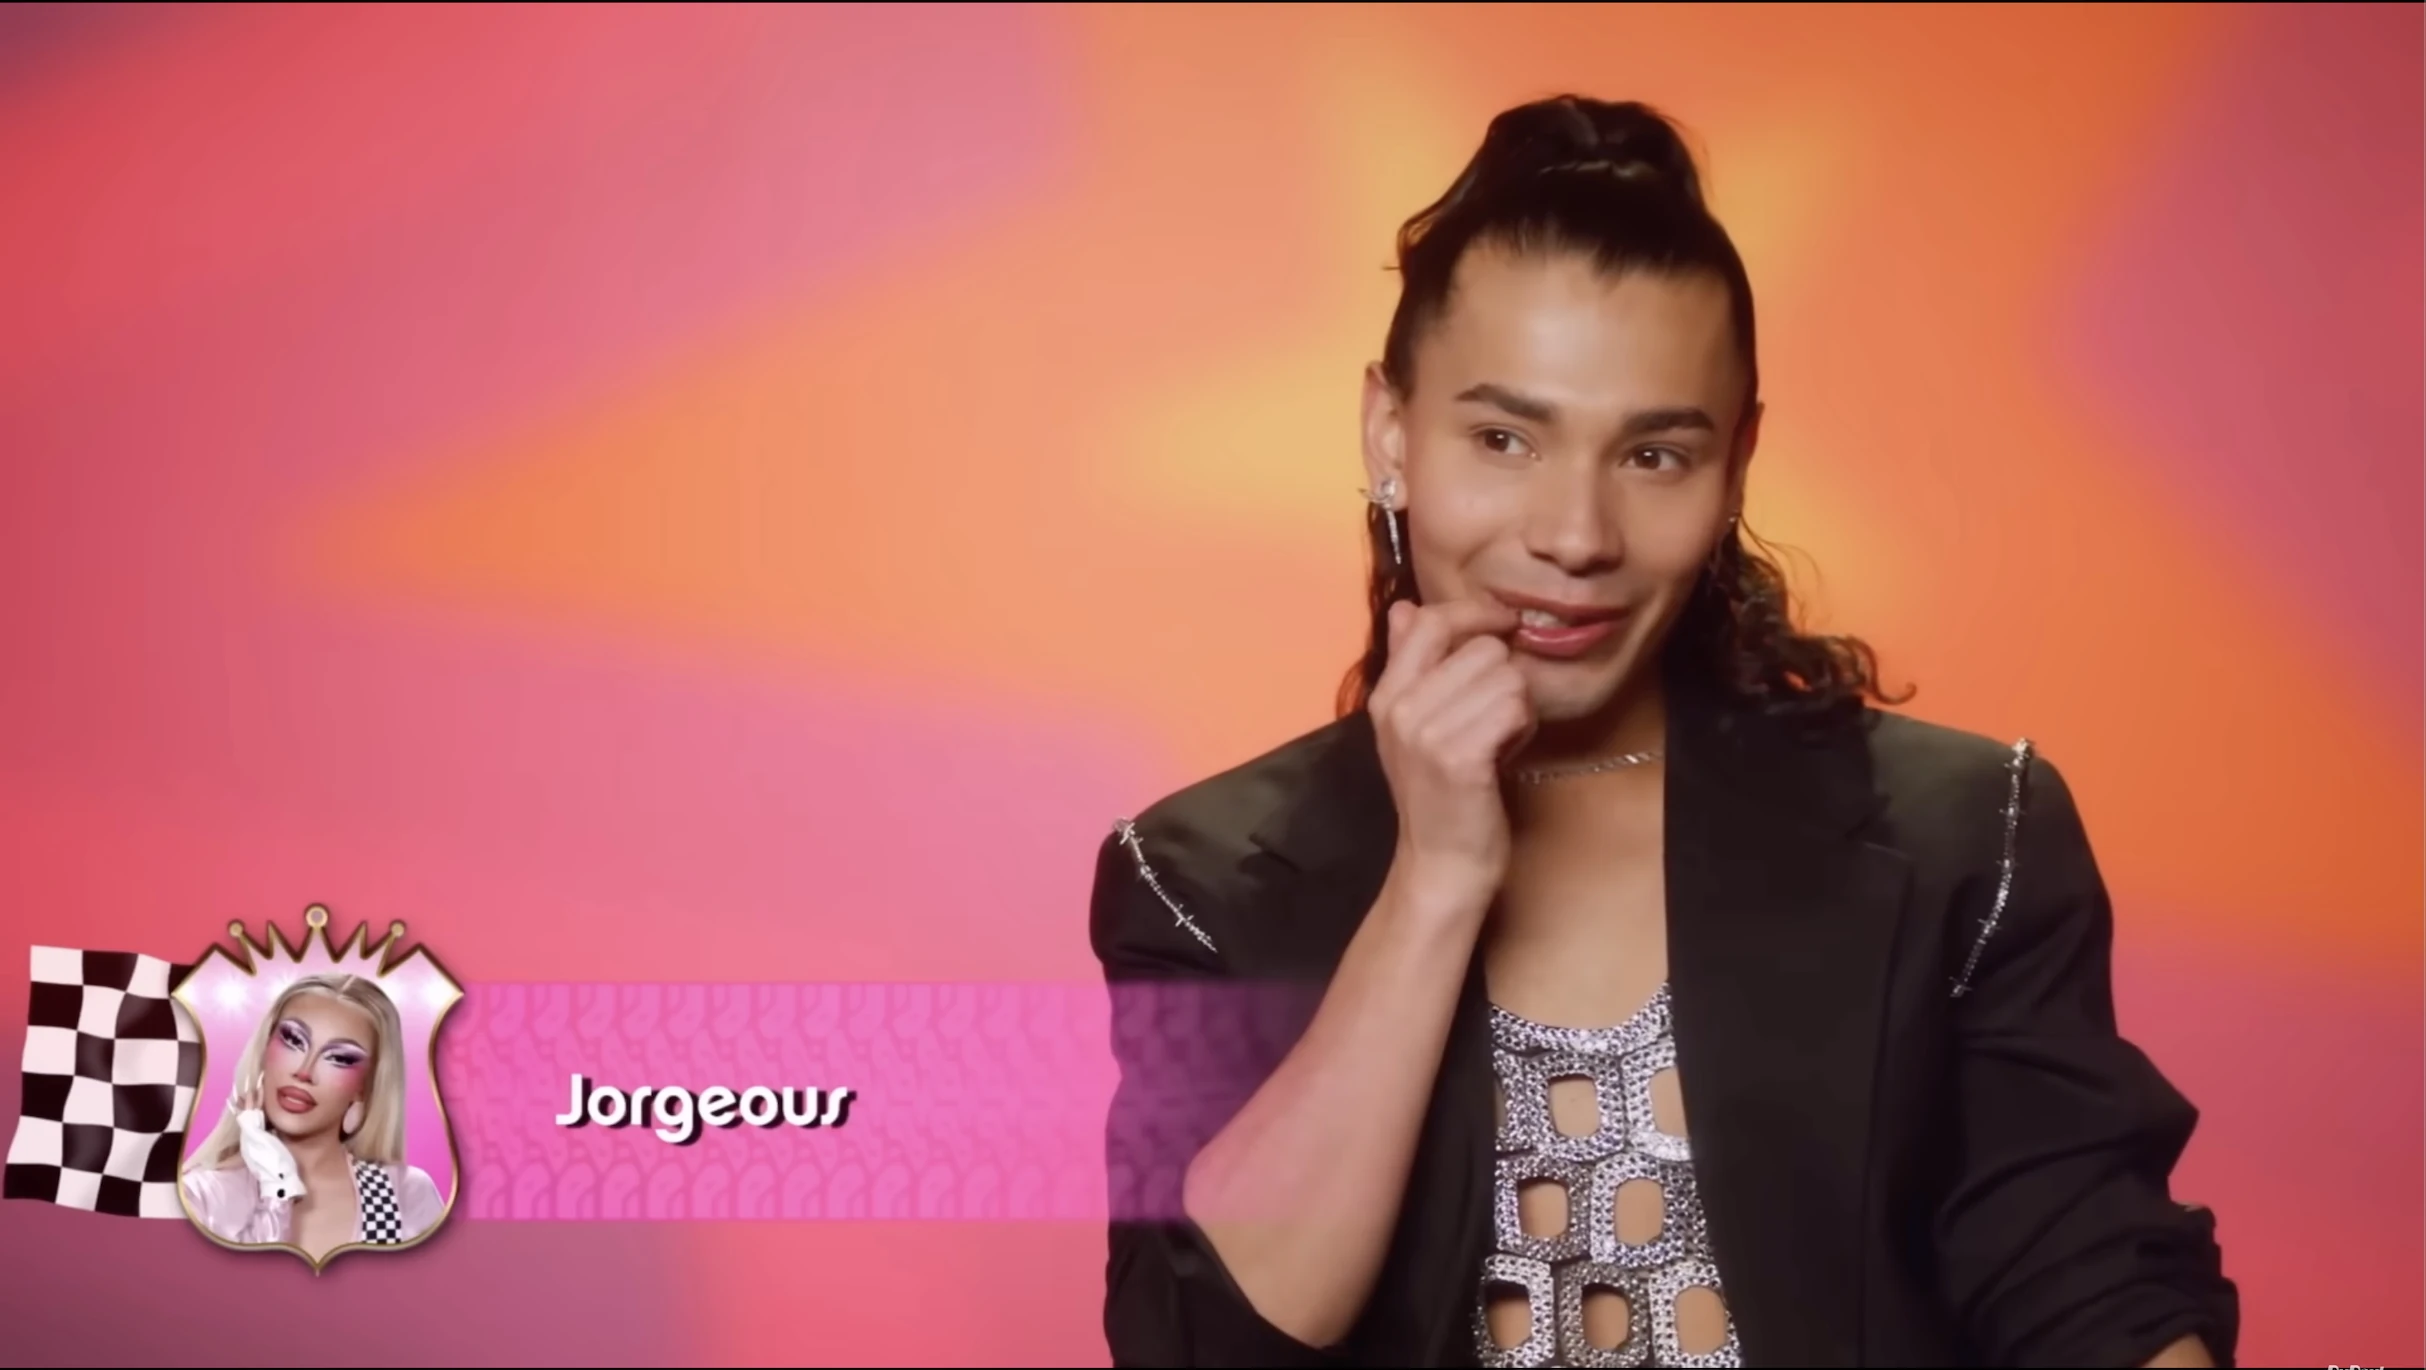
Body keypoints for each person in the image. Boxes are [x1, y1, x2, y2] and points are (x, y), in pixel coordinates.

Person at [1088, 96, 2237, 1368]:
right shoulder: (1197, 881)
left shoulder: (1965, 837)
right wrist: (1436, 881)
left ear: (1735, 463)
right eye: (1502, 438)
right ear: (1388, 435)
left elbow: (2090, 1281)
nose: (1574, 535)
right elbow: (1204, 1341)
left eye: (1653, 456)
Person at [182, 972, 445, 1260]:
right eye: (293, 1040)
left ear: (365, 1087)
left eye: (339, 1058)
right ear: (265, 1048)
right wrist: (277, 1186)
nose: (304, 1072)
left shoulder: (405, 1193)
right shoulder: (202, 1194)